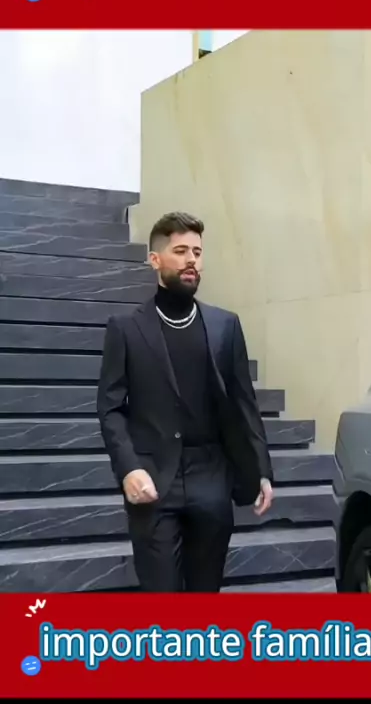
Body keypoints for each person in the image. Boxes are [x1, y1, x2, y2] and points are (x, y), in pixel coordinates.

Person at [97, 211, 274, 592]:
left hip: (211, 476)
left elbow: (244, 401)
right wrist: (129, 468)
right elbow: (110, 408)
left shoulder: (225, 325)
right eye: (180, 251)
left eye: (197, 251)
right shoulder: (125, 328)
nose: (191, 260)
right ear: (155, 259)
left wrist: (261, 468)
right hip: (154, 479)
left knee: (204, 596)